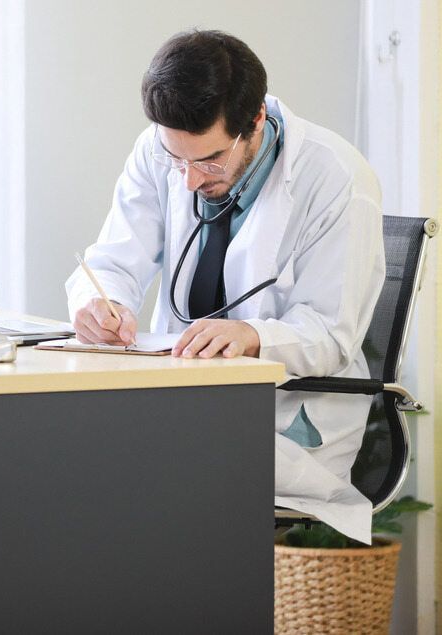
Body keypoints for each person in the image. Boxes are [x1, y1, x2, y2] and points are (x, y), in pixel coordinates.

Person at [65, 30, 385, 542]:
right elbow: (111, 261)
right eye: (178, 160)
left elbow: (332, 334)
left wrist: (252, 336)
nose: (189, 179)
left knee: (118, 461)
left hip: (286, 418)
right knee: (64, 435)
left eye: (208, 160)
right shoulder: (160, 150)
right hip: (183, 399)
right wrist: (100, 303)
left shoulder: (335, 178)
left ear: (254, 119)